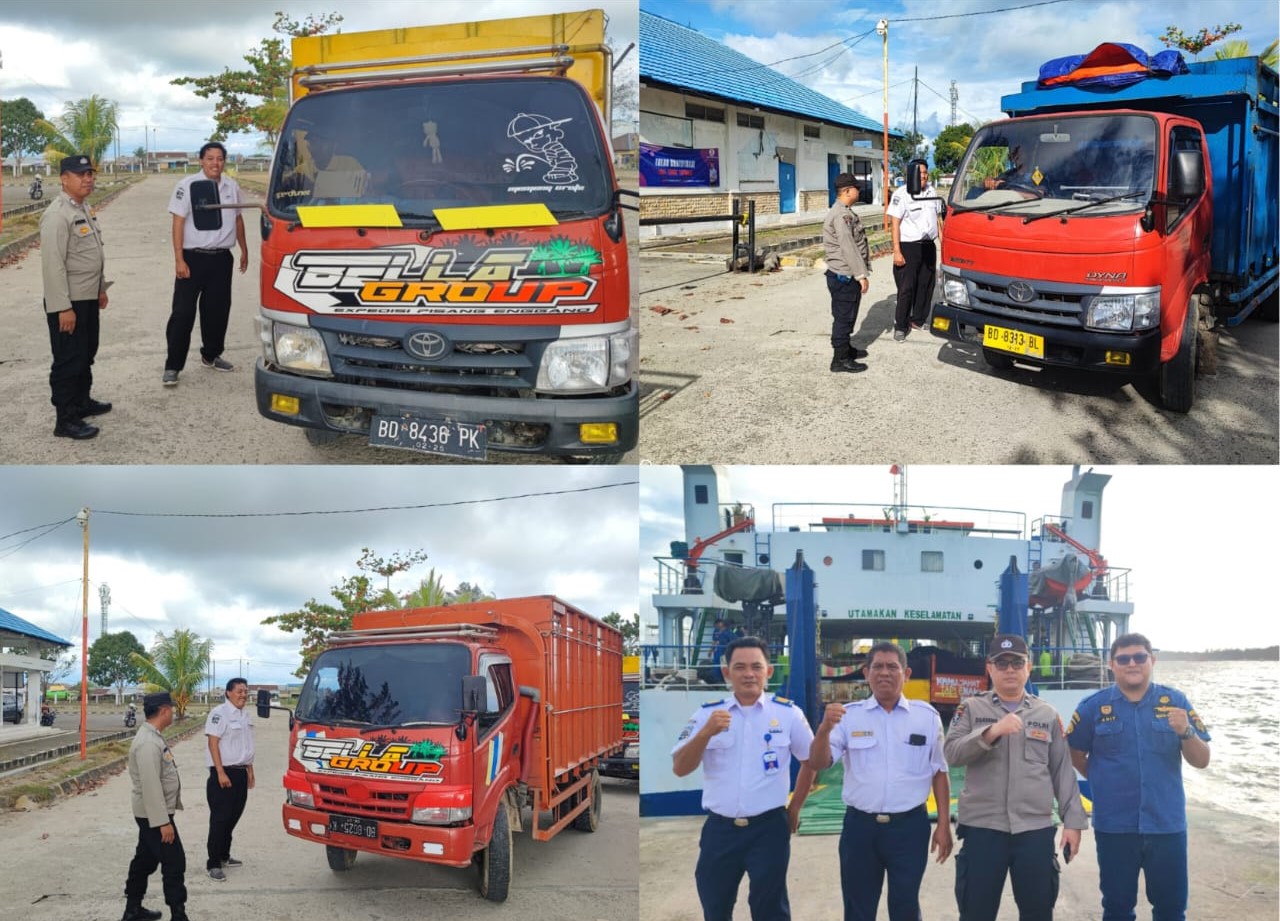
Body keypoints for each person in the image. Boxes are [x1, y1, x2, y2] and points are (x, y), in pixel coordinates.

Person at [672, 635, 817, 920]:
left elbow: (810, 761)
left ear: (769, 671)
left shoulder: (788, 714)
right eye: (739, 667)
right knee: (715, 906)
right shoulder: (707, 715)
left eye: (756, 666)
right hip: (720, 830)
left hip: (769, 829)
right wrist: (705, 734)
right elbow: (680, 767)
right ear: (726, 672)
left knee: (770, 909)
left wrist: (795, 808)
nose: (749, 674)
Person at [1067, 633, 1210, 921]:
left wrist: (1186, 732)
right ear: (1111, 665)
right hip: (1115, 828)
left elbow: (1202, 760)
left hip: (1166, 826)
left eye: (1139, 657)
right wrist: (1102, 780)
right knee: (1117, 909)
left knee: (1171, 911)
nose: (1132, 663)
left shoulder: (1176, 702)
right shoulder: (1091, 707)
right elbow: (1074, 752)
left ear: (1152, 660)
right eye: (1123, 659)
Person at [944, 634, 1088, 921]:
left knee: (1038, 912)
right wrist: (991, 732)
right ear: (990, 668)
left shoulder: (1047, 714)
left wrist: (1073, 823)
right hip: (983, 829)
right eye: (1002, 663)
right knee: (975, 912)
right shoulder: (970, 709)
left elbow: (1062, 772)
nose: (1009, 669)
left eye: (1017, 663)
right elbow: (952, 753)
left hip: (1034, 830)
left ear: (1028, 667)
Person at [808, 641, 953, 921]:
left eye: (892, 667)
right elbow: (818, 762)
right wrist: (824, 729)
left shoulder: (927, 718)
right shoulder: (848, 717)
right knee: (858, 909)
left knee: (906, 906)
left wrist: (944, 825)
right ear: (866, 673)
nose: (884, 673)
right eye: (877, 667)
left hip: (909, 828)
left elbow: (940, 772)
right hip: (860, 830)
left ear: (906, 674)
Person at [163, 141, 248, 386]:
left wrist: (244, 249)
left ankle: (211, 355)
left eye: (219, 158)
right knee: (183, 313)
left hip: (221, 259)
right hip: (193, 258)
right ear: (201, 161)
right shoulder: (187, 186)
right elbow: (178, 222)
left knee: (217, 311)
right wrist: (179, 258)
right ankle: (173, 365)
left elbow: (238, 218)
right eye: (210, 158)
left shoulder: (231, 186)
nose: (215, 163)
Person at [40, 153, 110, 440]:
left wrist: (100, 288)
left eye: (90, 174)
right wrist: (62, 308)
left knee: (86, 353)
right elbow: (53, 265)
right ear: (64, 179)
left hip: (88, 297)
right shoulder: (58, 214)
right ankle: (65, 419)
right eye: (81, 175)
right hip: (69, 301)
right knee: (68, 360)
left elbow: (94, 252)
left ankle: (82, 402)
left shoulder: (83, 208)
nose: (87, 179)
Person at [123, 691, 188, 921]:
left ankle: (132, 910)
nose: (173, 712)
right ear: (164, 710)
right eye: (171, 709)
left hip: (152, 813)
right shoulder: (148, 743)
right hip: (154, 816)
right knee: (174, 862)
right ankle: (178, 915)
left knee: (145, 860)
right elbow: (151, 785)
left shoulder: (153, 736)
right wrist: (163, 822)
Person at [204, 677, 255, 881]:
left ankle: (224, 855)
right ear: (228, 693)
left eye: (245, 691)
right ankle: (213, 863)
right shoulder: (219, 713)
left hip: (241, 772)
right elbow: (213, 744)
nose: (243, 695)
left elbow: (246, 745)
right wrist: (220, 772)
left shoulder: (245, 715)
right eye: (239, 691)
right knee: (220, 819)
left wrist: (250, 770)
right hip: (224, 774)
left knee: (234, 816)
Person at [886, 162, 943, 341]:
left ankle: (918, 320)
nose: (923, 176)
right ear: (911, 175)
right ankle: (900, 326)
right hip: (909, 246)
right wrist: (897, 251)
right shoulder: (901, 194)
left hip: (928, 245)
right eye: (919, 173)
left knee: (926, 285)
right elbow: (895, 224)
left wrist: (944, 246)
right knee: (906, 288)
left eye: (925, 173)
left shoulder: (932, 192)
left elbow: (938, 221)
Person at [821, 173, 871, 373]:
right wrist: (861, 275)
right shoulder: (841, 215)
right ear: (848, 191)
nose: (859, 191)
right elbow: (848, 247)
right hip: (844, 275)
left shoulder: (844, 212)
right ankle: (839, 360)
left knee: (847, 315)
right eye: (856, 188)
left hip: (844, 274)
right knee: (844, 317)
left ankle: (846, 349)